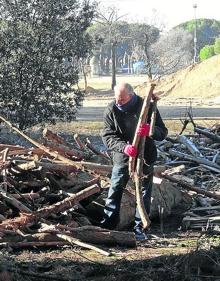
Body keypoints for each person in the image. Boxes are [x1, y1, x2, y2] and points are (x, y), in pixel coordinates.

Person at [100, 83, 168, 240]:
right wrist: (124, 147)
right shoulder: (111, 109)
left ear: (131, 96)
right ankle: (107, 225)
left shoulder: (147, 106)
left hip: (145, 157)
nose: (118, 102)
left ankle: (140, 227)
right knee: (115, 189)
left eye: (122, 99)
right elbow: (107, 136)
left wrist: (150, 131)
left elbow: (163, 132)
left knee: (143, 193)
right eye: (116, 98)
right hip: (123, 158)